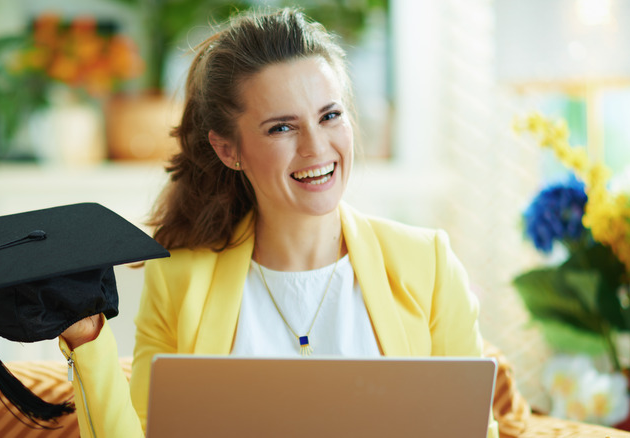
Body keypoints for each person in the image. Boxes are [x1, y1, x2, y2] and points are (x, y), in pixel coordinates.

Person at [60, 7, 498, 437]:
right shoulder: (179, 279)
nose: (315, 147)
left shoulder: (429, 264)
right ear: (229, 149)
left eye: (330, 116)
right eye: (281, 128)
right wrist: (87, 339)